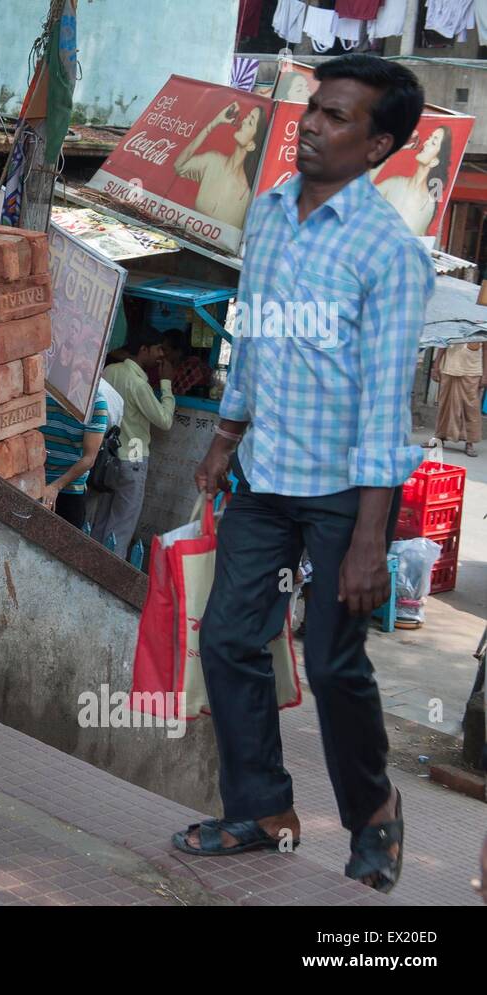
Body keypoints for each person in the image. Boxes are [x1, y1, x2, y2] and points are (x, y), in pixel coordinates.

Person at [173, 55, 435, 894]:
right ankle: (262, 809)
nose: (312, 126)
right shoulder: (271, 213)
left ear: (378, 145)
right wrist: (225, 435)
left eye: (336, 118)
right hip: (266, 476)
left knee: (331, 665)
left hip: (343, 496)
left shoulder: (391, 254)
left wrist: (370, 535)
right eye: (312, 110)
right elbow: (250, 336)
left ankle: (376, 812)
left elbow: (388, 401)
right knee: (227, 639)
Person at [92, 326, 175, 556]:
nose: (161, 355)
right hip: (133, 460)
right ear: (143, 349)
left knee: (101, 521)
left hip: (108, 458)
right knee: (121, 527)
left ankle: (89, 566)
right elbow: (165, 420)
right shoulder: (138, 384)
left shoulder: (110, 370)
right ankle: (109, 579)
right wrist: (167, 384)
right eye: (158, 349)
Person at [174, 101, 266, 228]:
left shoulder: (247, 197)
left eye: (250, 122)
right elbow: (179, 166)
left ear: (251, 145)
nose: (244, 120)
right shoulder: (213, 160)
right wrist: (214, 122)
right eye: (247, 116)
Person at [39, 386, 109, 529]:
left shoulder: (96, 402)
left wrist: (55, 487)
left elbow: (89, 458)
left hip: (68, 490)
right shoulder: (43, 390)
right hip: (33, 480)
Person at [373, 125, 452, 237]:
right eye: (429, 138)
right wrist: (394, 150)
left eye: (433, 142)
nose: (426, 143)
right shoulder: (395, 183)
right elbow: (362, 192)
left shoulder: (429, 201)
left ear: (434, 161)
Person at [427, 342, 484, 457]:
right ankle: (439, 438)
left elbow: (486, 351)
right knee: (445, 405)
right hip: (449, 368)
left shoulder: (481, 327)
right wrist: (436, 366)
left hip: (472, 370)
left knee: (471, 408)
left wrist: (485, 375)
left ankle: (469, 442)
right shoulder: (452, 325)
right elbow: (443, 344)